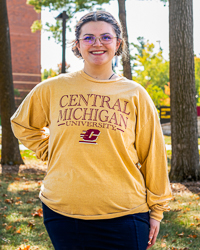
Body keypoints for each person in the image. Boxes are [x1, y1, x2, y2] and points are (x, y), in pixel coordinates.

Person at [10, 11, 172, 250]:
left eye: (106, 37)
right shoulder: (53, 88)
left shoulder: (136, 94)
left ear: (118, 43)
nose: (97, 43)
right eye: (88, 38)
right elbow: (22, 124)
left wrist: (157, 209)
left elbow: (153, 154)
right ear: (77, 45)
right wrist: (49, 149)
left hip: (125, 213)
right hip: (62, 212)